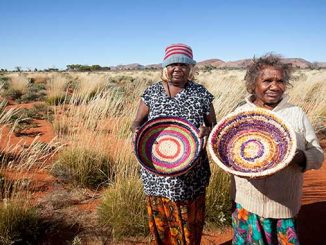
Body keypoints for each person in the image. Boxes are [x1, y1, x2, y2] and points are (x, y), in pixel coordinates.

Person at [231, 54, 324, 244]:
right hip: (247, 204)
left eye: (280, 81)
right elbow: (225, 155)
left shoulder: (296, 114)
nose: (274, 86)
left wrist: (298, 156)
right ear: (253, 84)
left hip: (283, 206)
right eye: (267, 80)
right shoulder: (240, 114)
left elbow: (317, 155)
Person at [131, 43, 217, 245]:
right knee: (161, 222)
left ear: (190, 68)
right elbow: (137, 121)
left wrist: (208, 129)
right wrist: (136, 130)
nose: (178, 68)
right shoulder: (151, 93)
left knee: (190, 221)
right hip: (156, 168)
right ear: (165, 67)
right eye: (173, 64)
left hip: (191, 172)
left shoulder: (200, 93)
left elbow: (213, 124)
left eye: (184, 65)